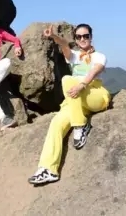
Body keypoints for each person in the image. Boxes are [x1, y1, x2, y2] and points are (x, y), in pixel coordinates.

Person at [28, 23, 111, 185]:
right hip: (75, 101)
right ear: (76, 39)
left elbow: (95, 70)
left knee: (67, 79)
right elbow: (64, 44)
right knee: (56, 123)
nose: (82, 39)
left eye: (86, 36)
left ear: (91, 37)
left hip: (95, 94)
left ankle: (80, 126)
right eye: (79, 37)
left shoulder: (99, 56)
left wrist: (82, 85)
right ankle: (48, 169)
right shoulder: (73, 56)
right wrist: (53, 36)